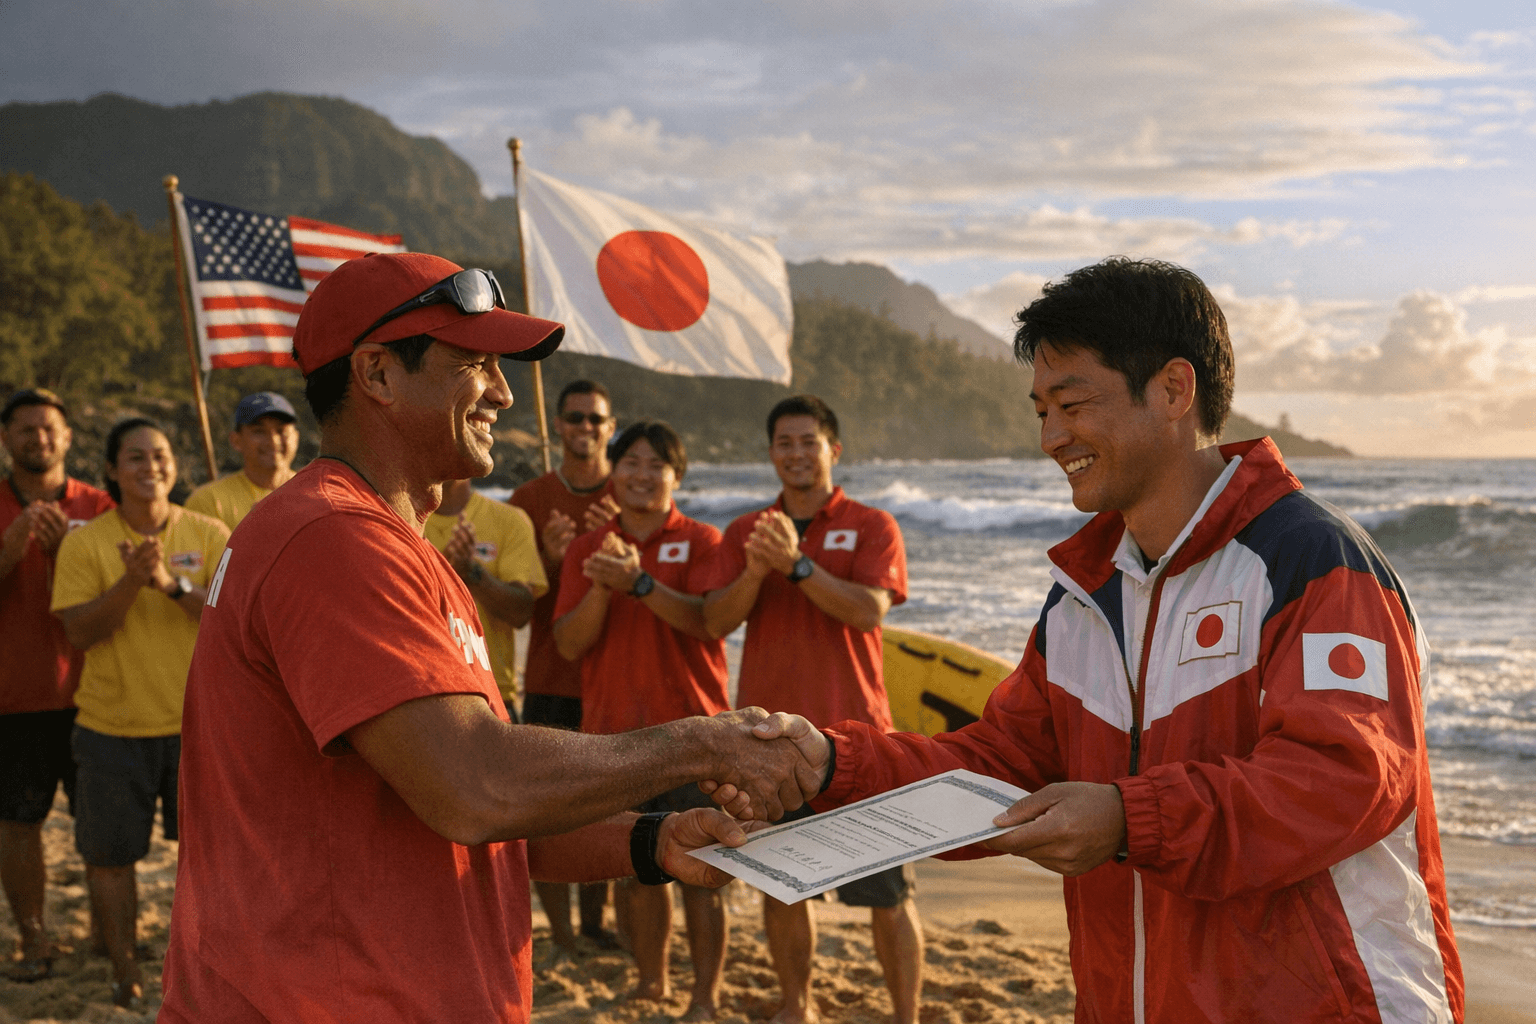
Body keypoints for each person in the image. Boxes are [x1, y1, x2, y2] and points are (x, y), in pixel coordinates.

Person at [738, 258, 1465, 1023]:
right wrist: (832, 761)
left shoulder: (1310, 559)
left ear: (1174, 390)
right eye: (1040, 411)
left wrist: (1126, 818)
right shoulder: (1085, 594)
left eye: (1073, 404)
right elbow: (998, 767)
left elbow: (1344, 782)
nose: (1052, 437)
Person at [157, 252, 822, 1023]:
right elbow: (473, 785)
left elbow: (472, 812)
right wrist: (704, 745)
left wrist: (653, 840)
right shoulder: (336, 539)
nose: (504, 393)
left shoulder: (390, 542)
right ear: (376, 374)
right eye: (475, 363)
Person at [701, 395, 920, 1024]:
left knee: (888, 892)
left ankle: (905, 1014)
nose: (796, 454)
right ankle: (797, 1007)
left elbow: (869, 610)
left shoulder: (873, 523)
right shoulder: (748, 531)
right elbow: (715, 620)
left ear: (833, 449)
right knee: (781, 885)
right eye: (784, 443)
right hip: (767, 740)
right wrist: (756, 568)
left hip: (857, 738)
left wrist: (796, 565)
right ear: (771, 453)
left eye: (808, 441)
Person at [553, 420, 732, 1021]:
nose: (641, 473)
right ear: (613, 471)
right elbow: (569, 644)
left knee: (705, 872)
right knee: (636, 868)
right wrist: (605, 586)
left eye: (656, 463)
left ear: (676, 475)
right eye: (629, 461)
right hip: (617, 739)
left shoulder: (704, 540)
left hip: (695, 738)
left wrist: (639, 582)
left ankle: (705, 997)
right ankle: (650, 981)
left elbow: (707, 621)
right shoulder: (587, 547)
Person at [50, 417, 230, 1008]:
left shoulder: (208, 533)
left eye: (160, 455)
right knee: (109, 859)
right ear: (110, 470)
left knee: (208, 858)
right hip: (109, 728)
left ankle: (206, 966)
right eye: (135, 458)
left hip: (196, 727)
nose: (150, 467)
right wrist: (130, 584)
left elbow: (230, 625)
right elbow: (79, 633)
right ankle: (123, 973)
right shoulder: (85, 543)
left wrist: (167, 584)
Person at [0, 388, 114, 982]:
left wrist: (69, 551)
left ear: (68, 438)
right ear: (5, 439)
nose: (38, 438)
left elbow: (123, 590)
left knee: (100, 826)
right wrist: (10, 548)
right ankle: (33, 936)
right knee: (20, 823)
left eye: (48, 429)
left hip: (97, 694)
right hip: (14, 697)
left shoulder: (99, 506)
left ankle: (106, 934)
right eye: (24, 429)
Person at [510, 378, 622, 953]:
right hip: (551, 680)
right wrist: (554, 562)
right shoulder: (528, 502)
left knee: (608, 807)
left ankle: (597, 924)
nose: (585, 429)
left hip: (616, 683)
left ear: (611, 427)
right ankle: (559, 935)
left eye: (596, 420)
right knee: (550, 811)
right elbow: (519, 611)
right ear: (558, 425)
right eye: (575, 419)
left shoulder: (631, 497)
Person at [424, 478, 546, 713]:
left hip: (493, 696)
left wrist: (473, 574)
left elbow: (521, 613)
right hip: (422, 696)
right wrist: (445, 575)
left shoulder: (509, 519)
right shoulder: (397, 522)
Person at [183, 391, 300, 530]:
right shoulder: (209, 501)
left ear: (296, 438)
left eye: (281, 431)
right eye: (259, 431)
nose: (273, 441)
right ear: (236, 440)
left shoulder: (317, 495)